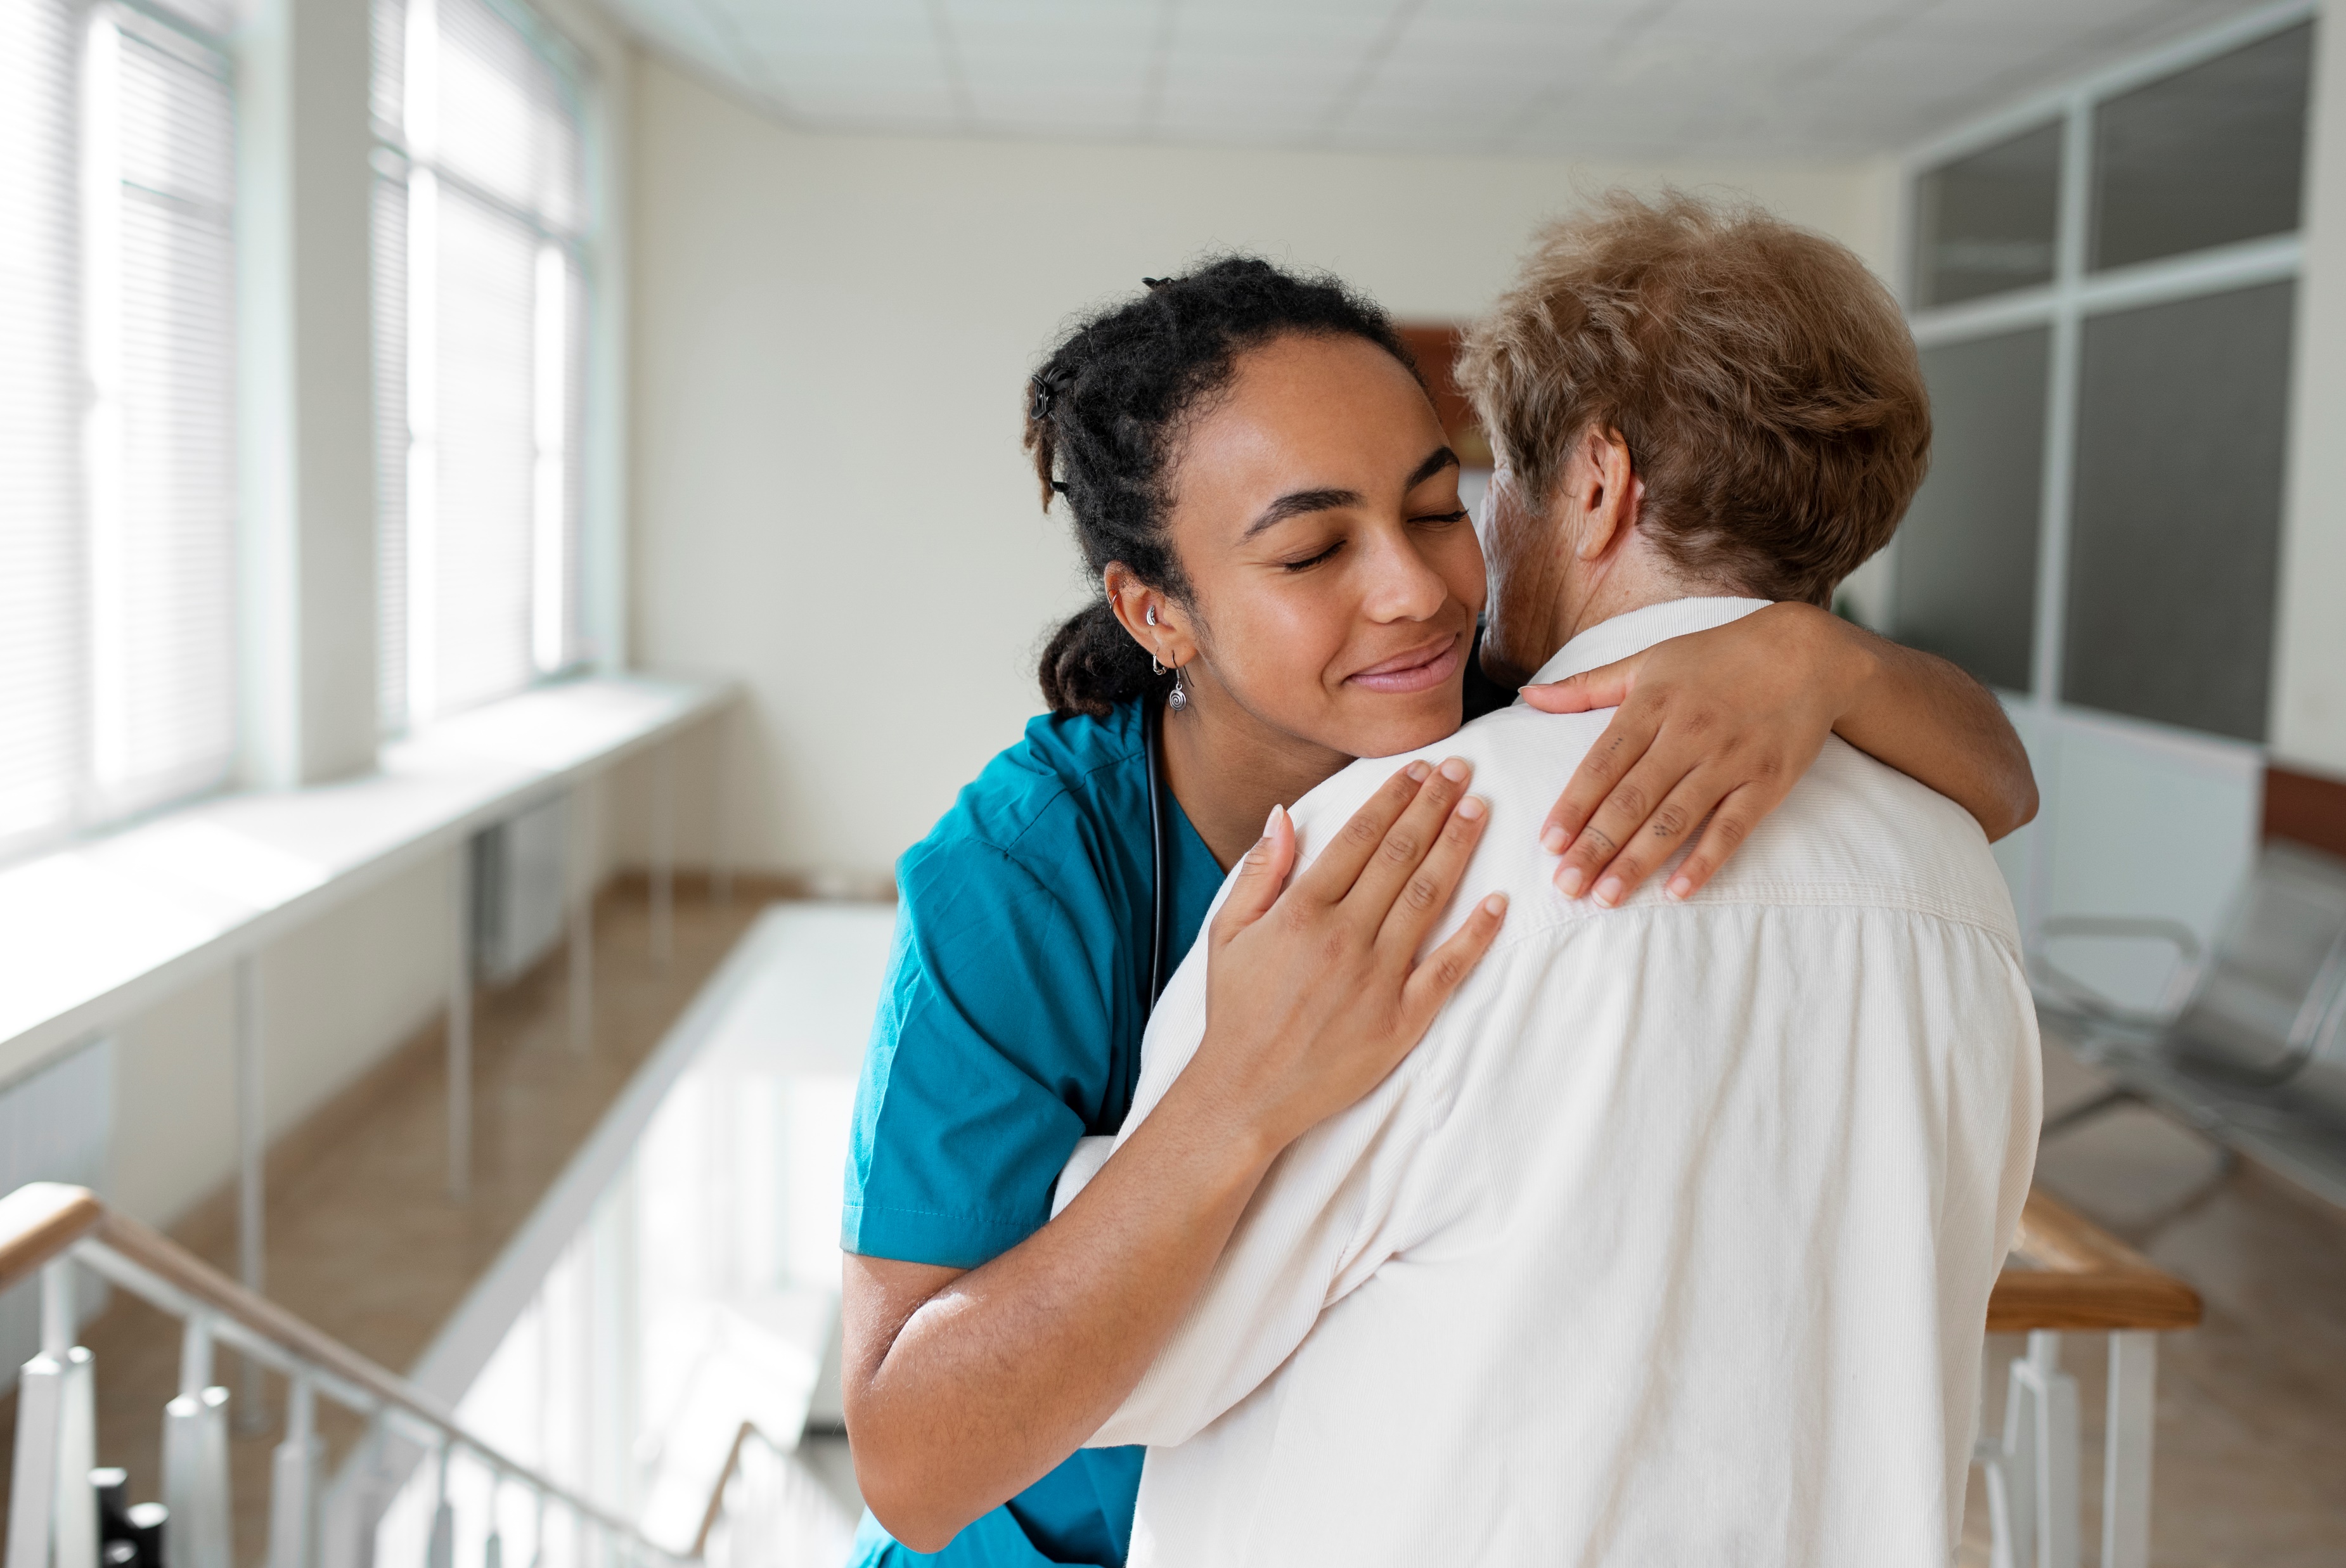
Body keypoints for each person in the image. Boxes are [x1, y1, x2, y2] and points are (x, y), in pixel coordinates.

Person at [841, 255, 2037, 1567]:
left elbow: (2000, 781)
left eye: (1435, 508)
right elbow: (908, 1457)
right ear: (1155, 611)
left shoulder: (1500, 733)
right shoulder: (1031, 871)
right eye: (1311, 549)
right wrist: (1239, 1094)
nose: (1415, 591)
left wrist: (1825, 653)